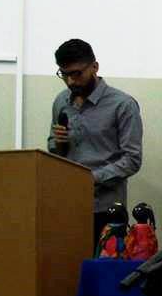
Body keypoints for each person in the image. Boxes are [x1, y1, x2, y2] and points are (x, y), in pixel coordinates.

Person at [47, 38, 144, 250]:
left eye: (77, 74)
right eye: (64, 74)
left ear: (94, 67)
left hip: (106, 210)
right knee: (66, 272)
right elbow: (53, 149)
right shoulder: (61, 101)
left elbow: (132, 160)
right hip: (67, 205)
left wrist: (89, 179)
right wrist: (57, 143)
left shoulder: (123, 105)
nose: (71, 81)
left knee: (102, 274)